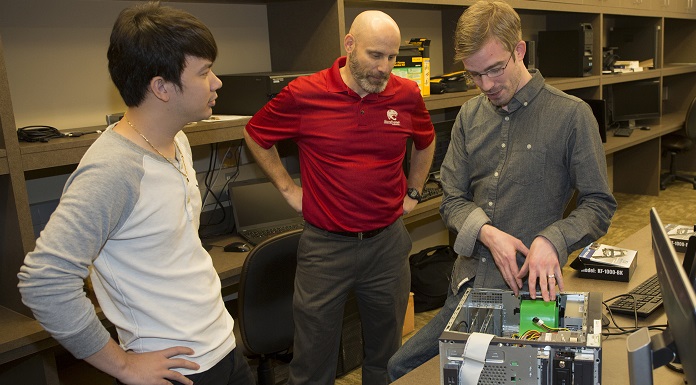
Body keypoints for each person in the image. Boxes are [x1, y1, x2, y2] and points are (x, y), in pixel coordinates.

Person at [17, 3, 254, 385]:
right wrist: (124, 366)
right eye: (204, 72)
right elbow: (44, 282)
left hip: (222, 347)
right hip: (173, 370)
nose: (217, 83)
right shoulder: (113, 169)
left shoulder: (176, 139)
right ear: (161, 87)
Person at [387, 0, 617, 380]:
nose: (486, 85)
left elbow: (599, 205)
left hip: (529, 297)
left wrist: (552, 239)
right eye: (474, 75)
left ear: (519, 51)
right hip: (467, 289)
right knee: (400, 367)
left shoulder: (572, 116)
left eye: (494, 69)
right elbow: (452, 198)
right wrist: (487, 233)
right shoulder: (469, 115)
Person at [243, 10, 435, 385]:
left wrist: (412, 192)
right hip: (325, 248)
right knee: (312, 362)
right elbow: (255, 133)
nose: (384, 68)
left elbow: (425, 144)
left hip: (387, 245)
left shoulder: (406, 93)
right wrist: (288, 189)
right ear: (349, 45)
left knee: (387, 356)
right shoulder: (305, 93)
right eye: (375, 55)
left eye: (392, 57)